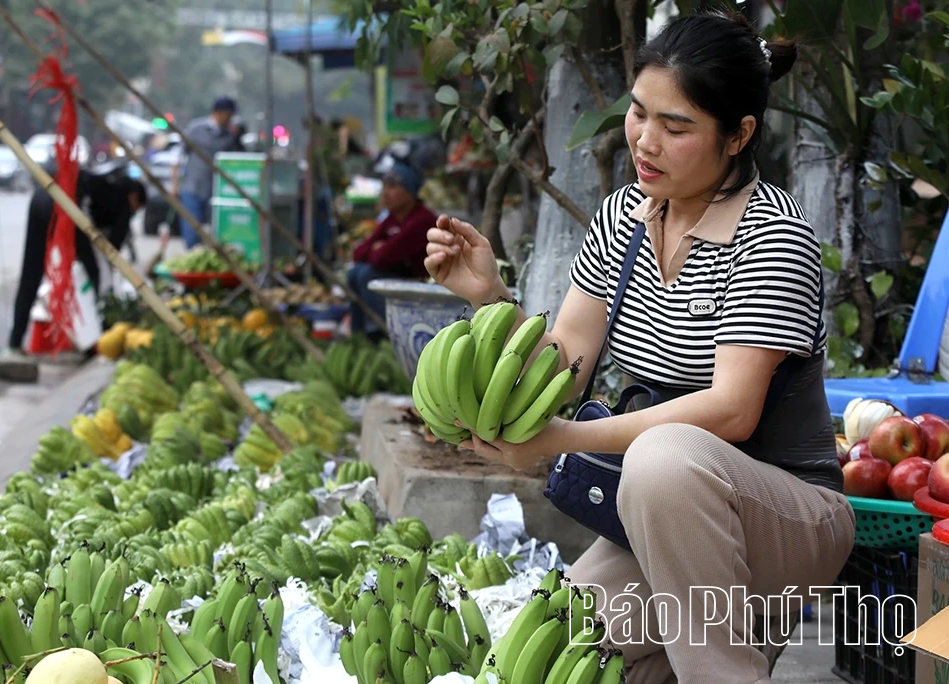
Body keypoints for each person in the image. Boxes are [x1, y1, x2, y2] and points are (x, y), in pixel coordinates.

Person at [424, 11, 854, 684]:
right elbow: (561, 368)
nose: (644, 141)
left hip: (786, 519)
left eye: (676, 127)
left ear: (738, 135)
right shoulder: (623, 218)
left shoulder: (772, 236)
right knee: (550, 649)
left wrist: (559, 441)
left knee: (662, 459)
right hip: (665, 520)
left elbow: (733, 411)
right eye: (638, 113)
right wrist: (488, 297)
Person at [9, 172, 146, 353]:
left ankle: (15, 340)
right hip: (67, 206)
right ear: (135, 197)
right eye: (137, 208)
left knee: (31, 271)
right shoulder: (122, 200)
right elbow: (113, 249)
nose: (134, 213)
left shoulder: (104, 184)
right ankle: (100, 335)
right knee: (94, 273)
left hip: (42, 197)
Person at [348, 161, 436, 337]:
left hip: (422, 285)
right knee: (355, 272)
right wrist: (377, 249)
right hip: (399, 278)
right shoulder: (392, 219)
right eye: (384, 187)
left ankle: (388, 333)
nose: (385, 194)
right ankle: (359, 335)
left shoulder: (421, 221)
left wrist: (379, 249)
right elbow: (358, 254)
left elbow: (381, 257)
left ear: (409, 192)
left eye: (392, 187)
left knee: (367, 275)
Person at [171, 97, 243, 249]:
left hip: (217, 193)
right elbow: (178, 157)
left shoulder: (231, 136)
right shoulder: (196, 129)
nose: (230, 118)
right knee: (192, 235)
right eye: (228, 114)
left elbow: (239, 159)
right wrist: (174, 185)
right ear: (218, 113)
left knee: (218, 237)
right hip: (193, 189)